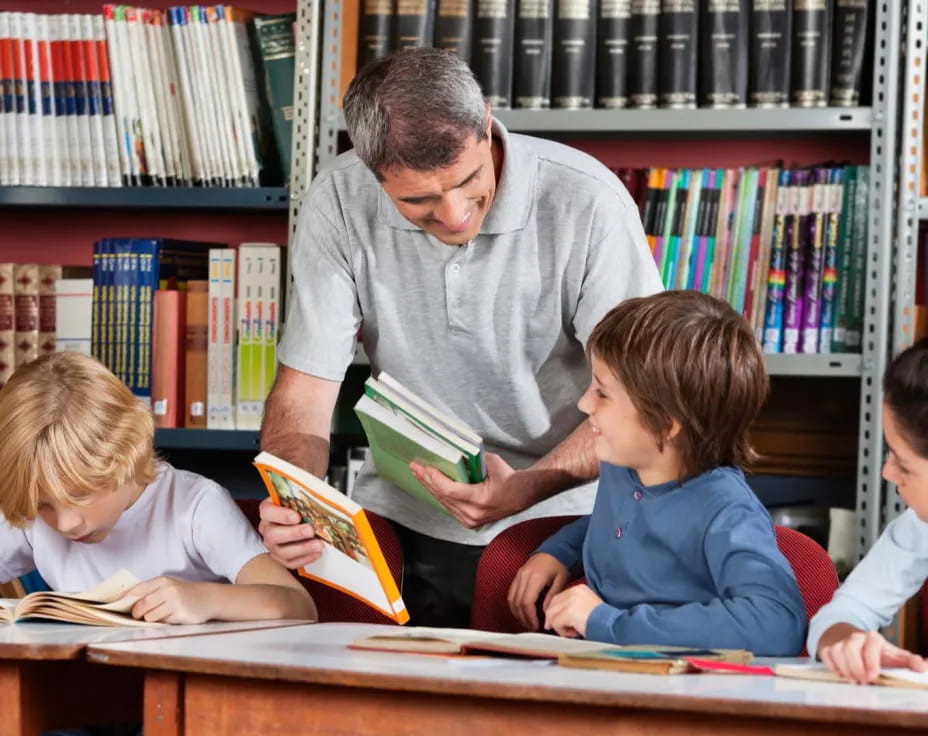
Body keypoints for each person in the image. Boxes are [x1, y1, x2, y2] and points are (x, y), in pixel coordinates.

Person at [257, 47, 663, 626]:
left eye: (470, 180)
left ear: (487, 120)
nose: (452, 215)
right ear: (372, 174)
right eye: (417, 200)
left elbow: (642, 399)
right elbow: (303, 395)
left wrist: (526, 486)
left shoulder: (588, 202)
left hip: (566, 523)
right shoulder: (339, 200)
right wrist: (294, 497)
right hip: (401, 521)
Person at [507, 291, 806, 654]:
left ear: (664, 425)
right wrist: (558, 552)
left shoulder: (726, 511)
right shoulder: (625, 467)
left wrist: (604, 621)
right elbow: (621, 523)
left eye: (603, 393)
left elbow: (776, 622)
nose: (584, 403)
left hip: (683, 692)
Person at [0, 352, 316, 625]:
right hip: (89, 685)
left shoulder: (194, 507)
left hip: (190, 687)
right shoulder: (33, 502)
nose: (65, 523)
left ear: (126, 453)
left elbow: (298, 606)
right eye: (45, 506)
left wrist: (206, 599)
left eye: (80, 495)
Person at [808, 338, 928, 683]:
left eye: (903, 464)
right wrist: (850, 644)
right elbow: (844, 612)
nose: (887, 473)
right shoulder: (919, 526)